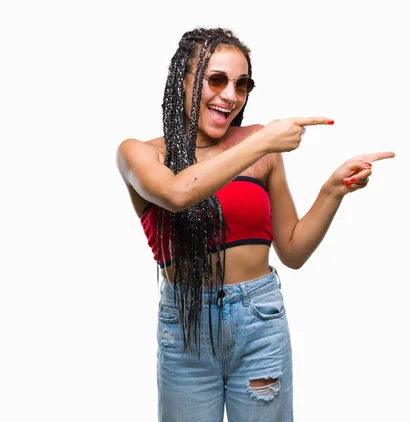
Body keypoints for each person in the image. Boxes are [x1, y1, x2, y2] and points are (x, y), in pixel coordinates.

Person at [116, 26, 394, 422]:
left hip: (259, 319)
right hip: (185, 329)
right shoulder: (140, 154)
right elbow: (177, 195)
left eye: (241, 84)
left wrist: (333, 191)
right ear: (183, 82)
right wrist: (260, 141)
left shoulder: (261, 150)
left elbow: (293, 251)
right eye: (216, 80)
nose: (230, 96)